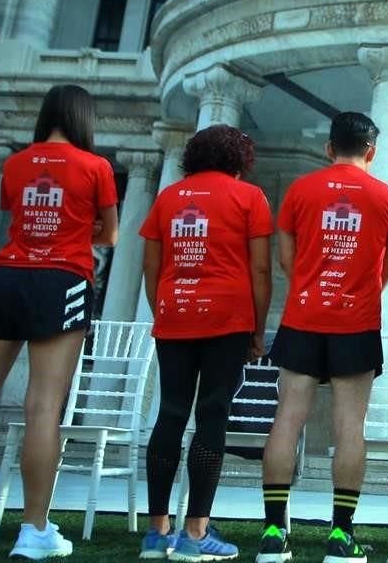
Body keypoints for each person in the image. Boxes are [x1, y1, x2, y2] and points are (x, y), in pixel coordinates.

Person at [256, 112, 388, 563]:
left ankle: (272, 534)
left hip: (302, 318)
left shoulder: (301, 190)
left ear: (328, 148)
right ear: (372, 152)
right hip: (355, 324)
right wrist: (357, 293)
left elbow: (287, 259)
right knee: (349, 427)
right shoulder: (384, 197)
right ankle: (341, 537)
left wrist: (311, 288)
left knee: (287, 420)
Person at [0, 84, 118, 559]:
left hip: (5, 276)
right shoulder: (96, 166)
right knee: (43, 407)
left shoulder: (17, 163)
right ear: (85, 118)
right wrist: (78, 228)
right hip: (59, 281)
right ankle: (34, 529)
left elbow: (14, 212)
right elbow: (112, 232)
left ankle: (36, 529)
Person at [138, 124, 273, 562]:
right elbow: (260, 271)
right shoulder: (249, 198)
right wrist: (256, 327)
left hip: (175, 313)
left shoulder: (169, 198)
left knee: (171, 412)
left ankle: (157, 531)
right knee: (212, 413)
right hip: (227, 317)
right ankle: (196, 532)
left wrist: (164, 310)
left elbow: (151, 267)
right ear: (240, 159)